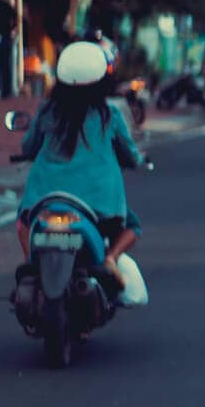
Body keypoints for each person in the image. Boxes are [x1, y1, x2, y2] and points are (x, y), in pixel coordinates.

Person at [16, 40, 148, 299]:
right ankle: (110, 258)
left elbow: (28, 146)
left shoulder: (47, 111)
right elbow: (130, 154)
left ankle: (33, 265)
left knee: (23, 224)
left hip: (44, 199)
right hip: (98, 206)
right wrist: (138, 159)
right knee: (133, 226)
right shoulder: (109, 115)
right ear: (101, 80)